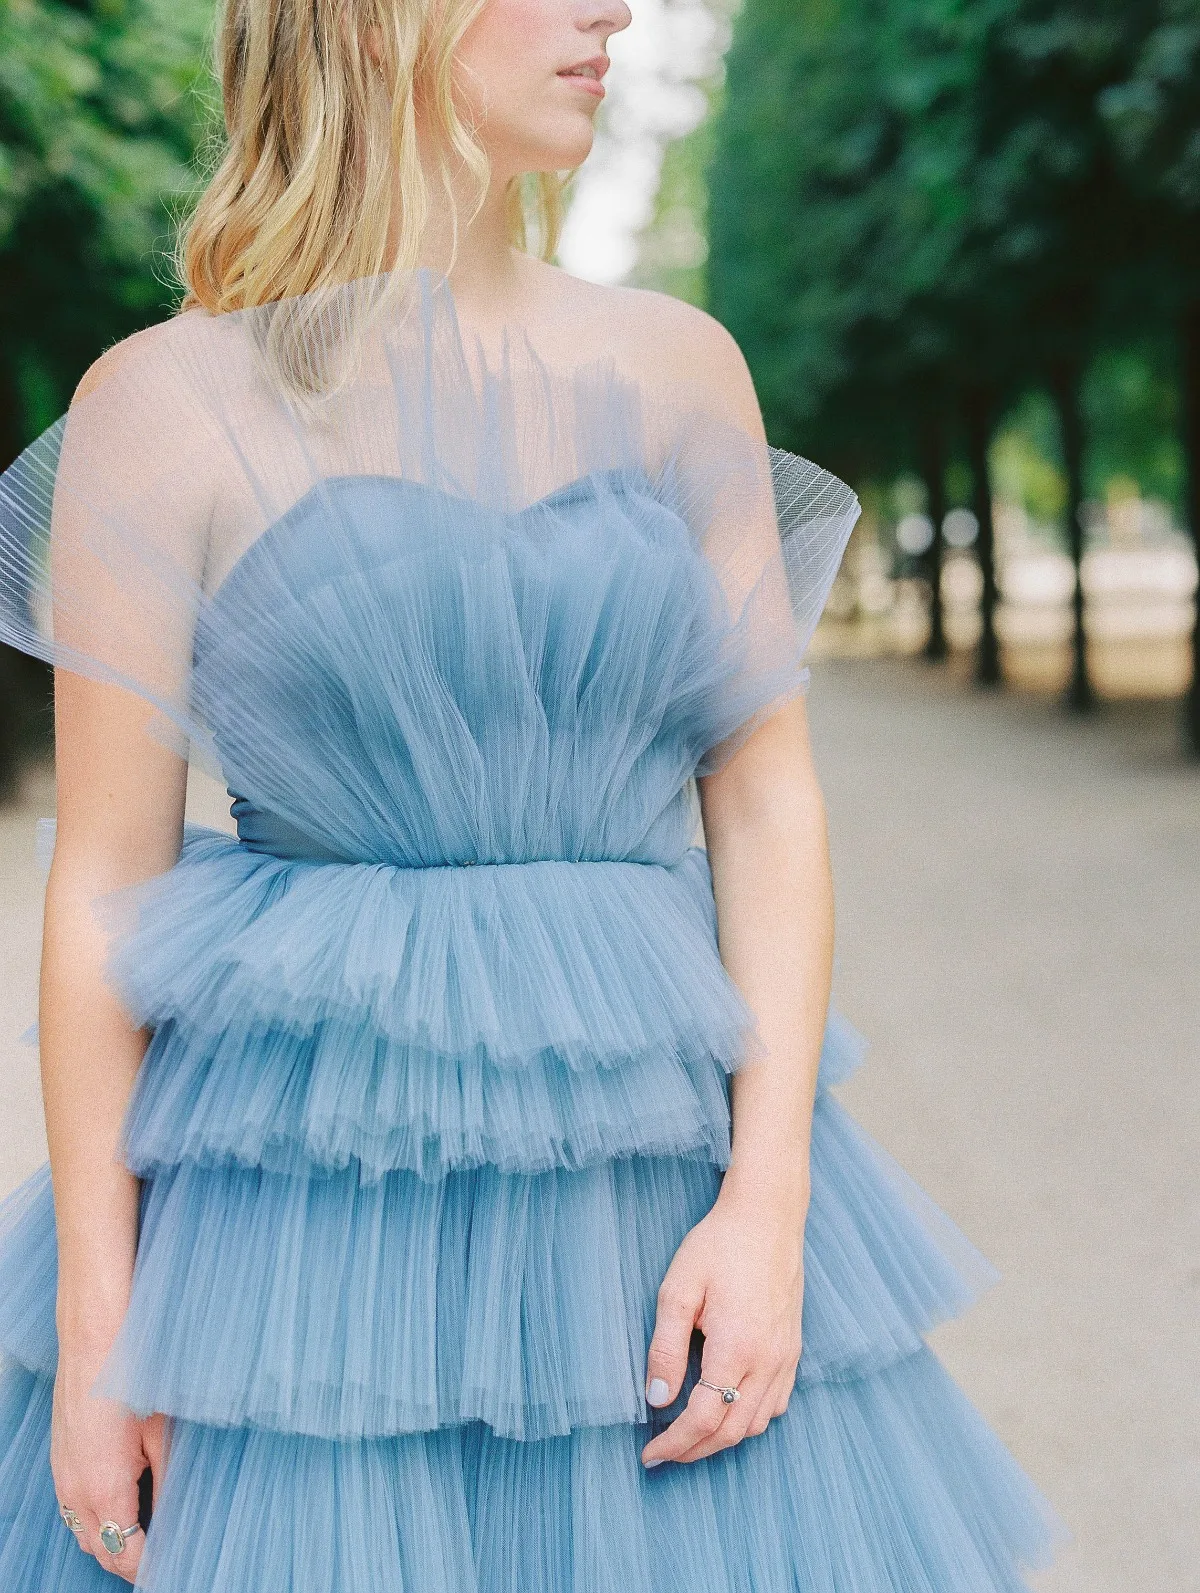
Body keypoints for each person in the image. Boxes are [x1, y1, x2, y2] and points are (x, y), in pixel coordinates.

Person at [0, 0, 1062, 1588]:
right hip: (305, 1227)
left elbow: (765, 801)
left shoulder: (678, 368)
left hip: (648, 1193)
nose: (614, 9)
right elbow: (101, 888)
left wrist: (767, 1206)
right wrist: (102, 1330)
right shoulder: (163, 402)